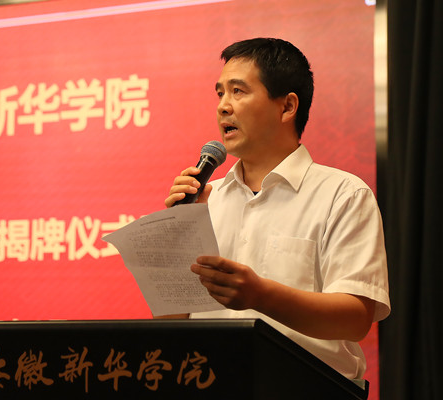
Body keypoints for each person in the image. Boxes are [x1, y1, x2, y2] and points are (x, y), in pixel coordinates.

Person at [162, 38, 390, 381]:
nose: (223, 107)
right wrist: (179, 231)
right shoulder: (205, 199)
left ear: (287, 107)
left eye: (238, 91)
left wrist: (260, 295)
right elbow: (170, 324)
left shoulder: (343, 194)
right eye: (220, 93)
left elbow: (355, 319)